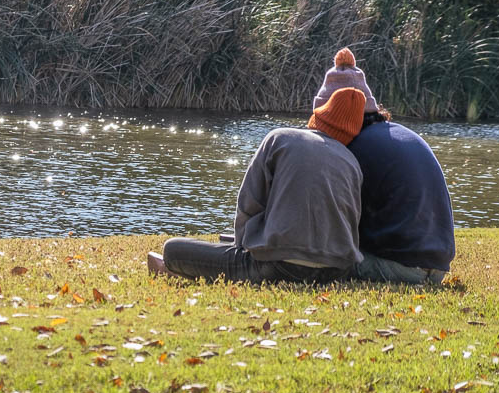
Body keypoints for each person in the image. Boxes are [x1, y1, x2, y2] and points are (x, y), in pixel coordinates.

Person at [149, 87, 367, 283]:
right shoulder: (352, 161)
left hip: (279, 266)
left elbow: (249, 203)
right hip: (336, 272)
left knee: (173, 249)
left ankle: (178, 269)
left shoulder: (280, 138)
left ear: (318, 116)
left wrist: (240, 248)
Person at [312, 47, 455, 285]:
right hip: (438, 267)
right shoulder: (400, 134)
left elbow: (337, 223)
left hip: (399, 268)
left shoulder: (354, 150)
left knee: (311, 257)